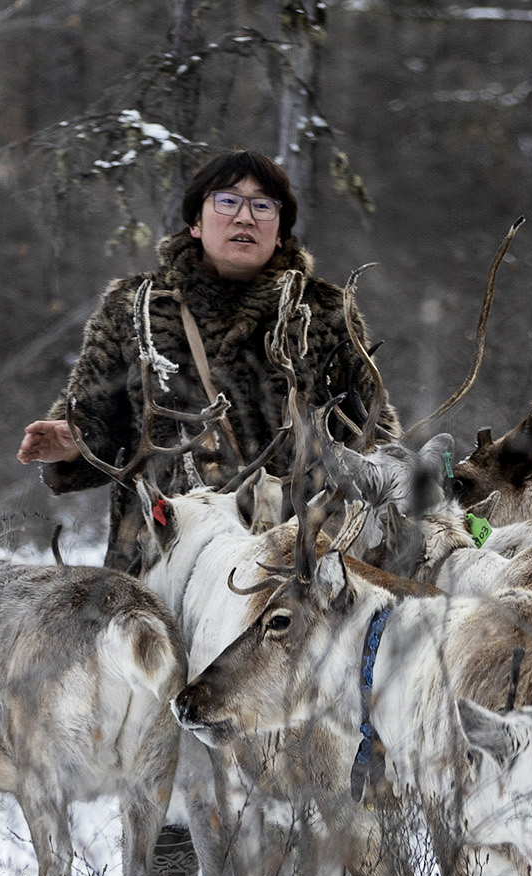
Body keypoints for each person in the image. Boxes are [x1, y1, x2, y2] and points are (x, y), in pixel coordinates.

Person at [20, 149, 400, 570]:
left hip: (300, 562)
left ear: (280, 233)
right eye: (227, 201)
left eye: (262, 205)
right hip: (165, 557)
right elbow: (95, 425)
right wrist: (73, 444)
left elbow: (374, 439)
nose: (244, 217)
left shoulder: (326, 311)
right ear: (195, 222)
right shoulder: (136, 307)